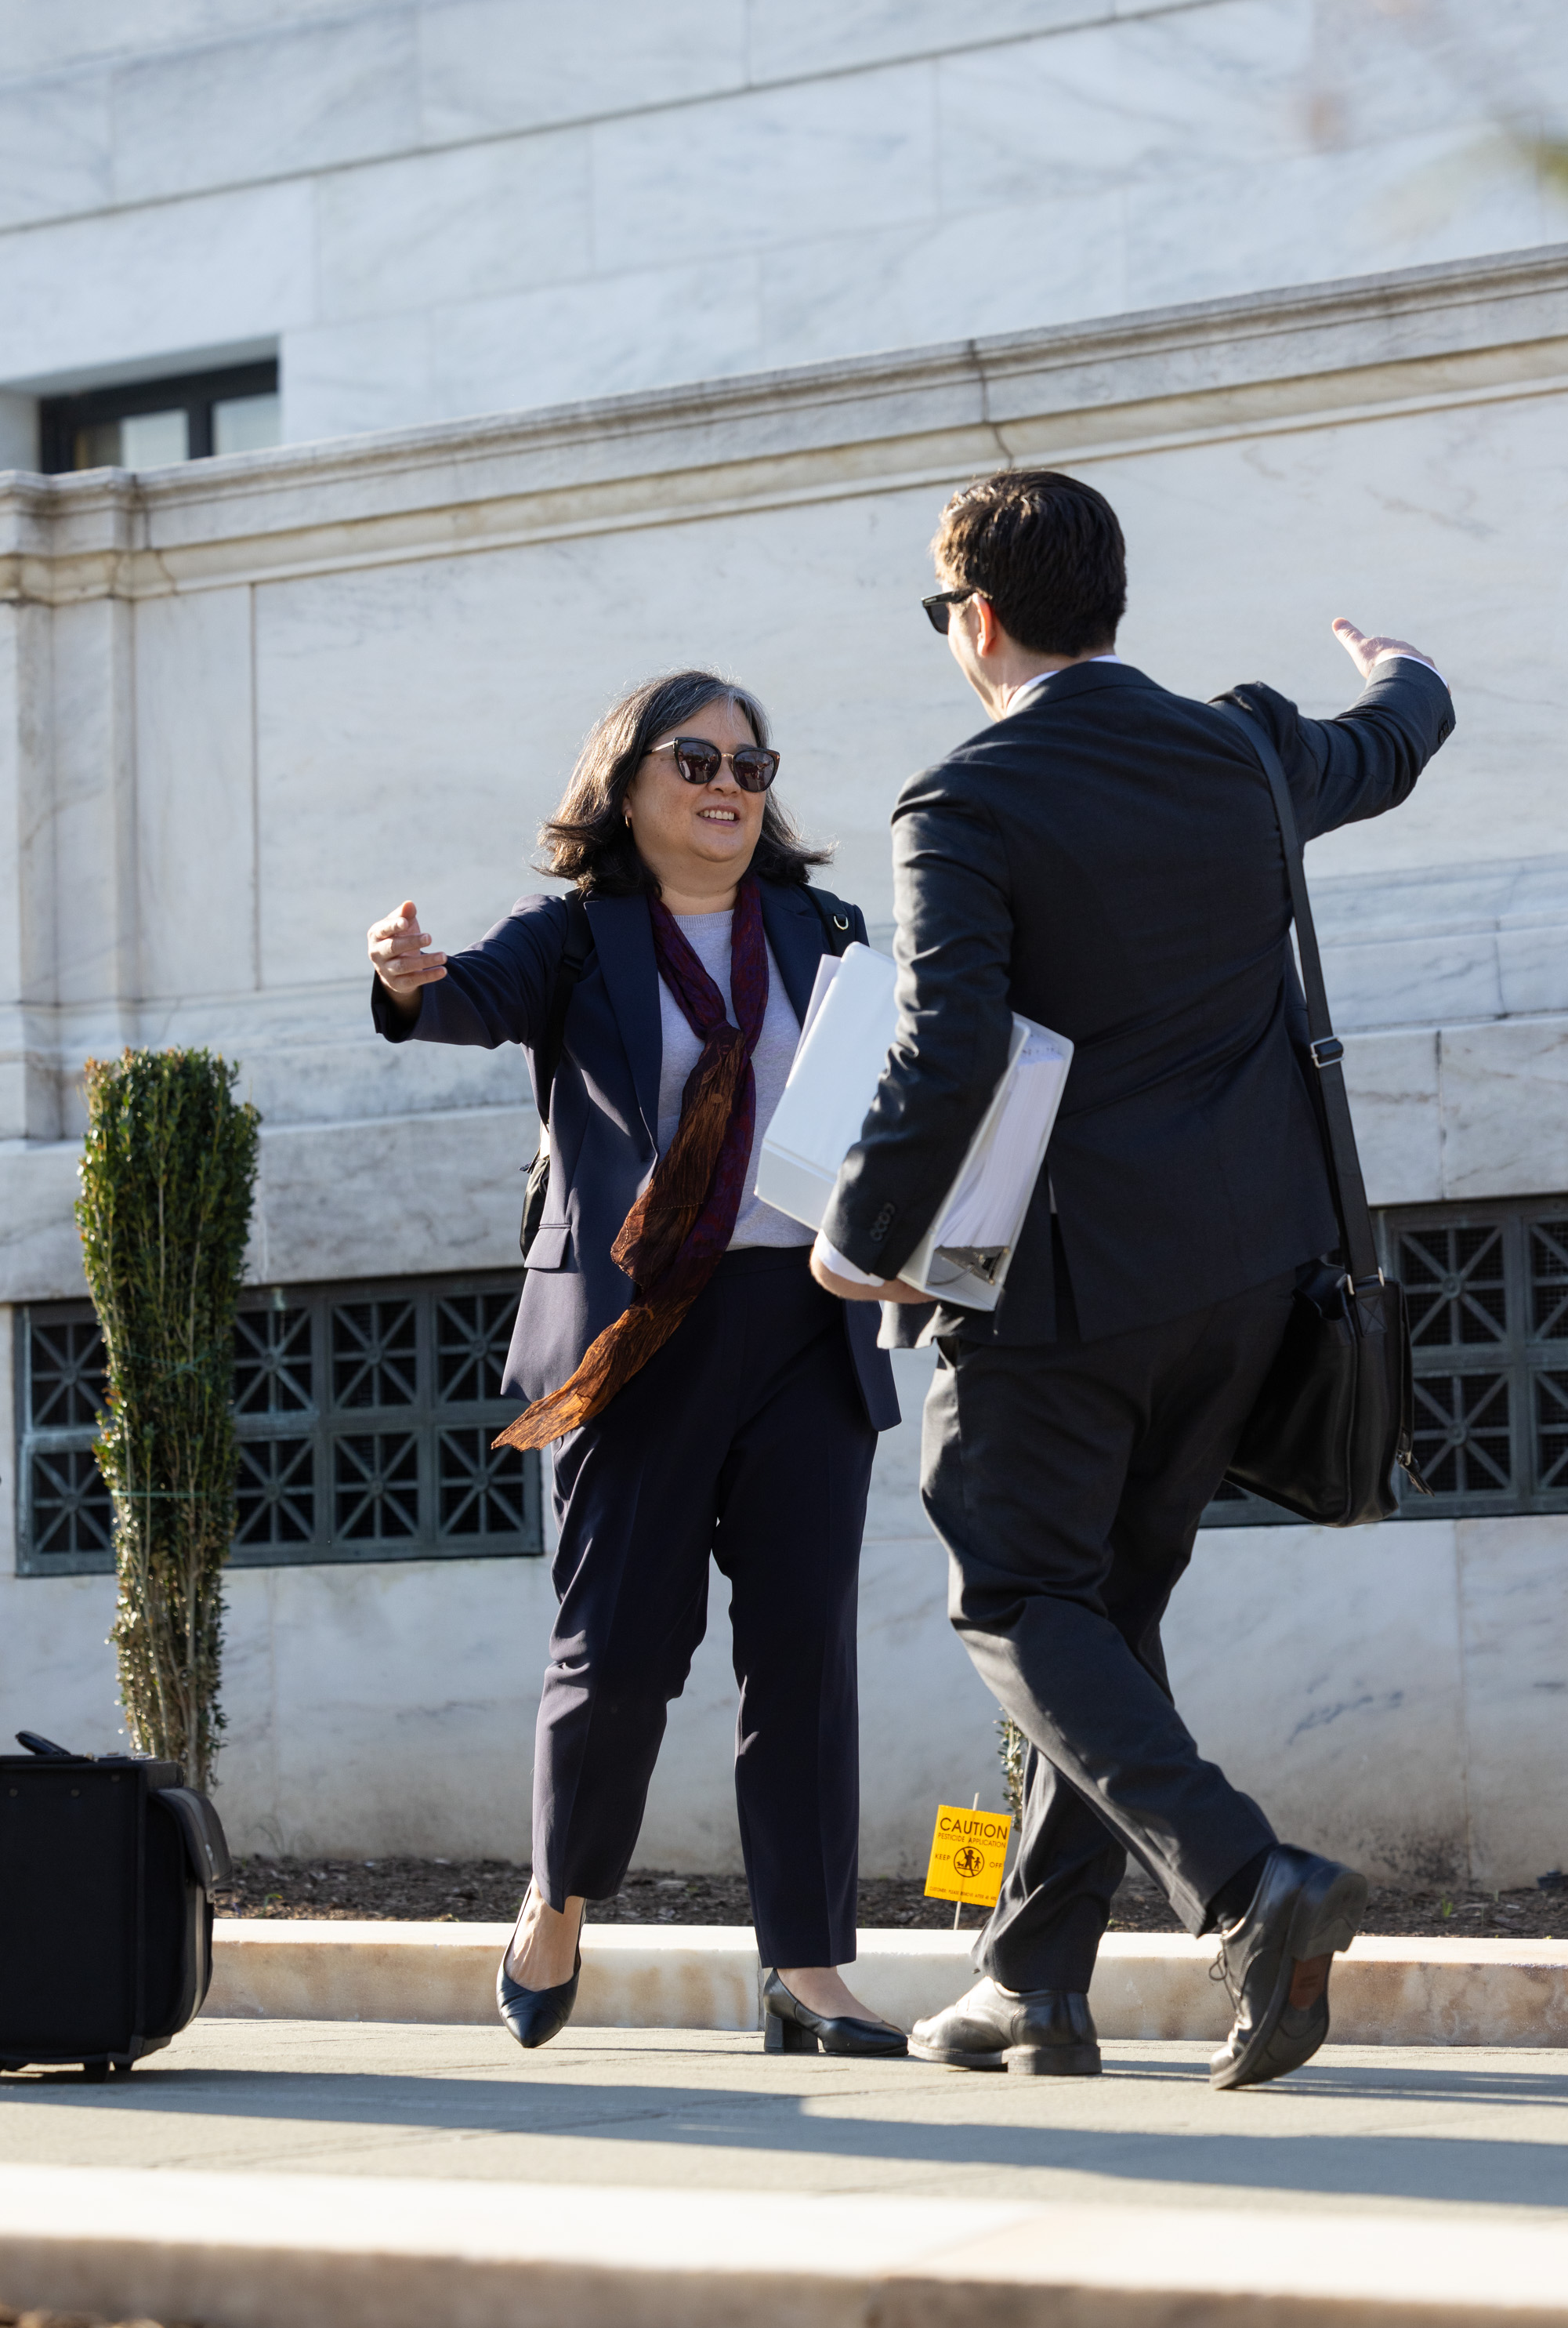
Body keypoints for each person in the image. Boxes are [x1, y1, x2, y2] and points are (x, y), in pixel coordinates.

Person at [811, 470, 1455, 2090]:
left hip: (1053, 1294)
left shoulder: (958, 802)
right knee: (1100, 1620)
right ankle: (1028, 1985)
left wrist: (853, 1237)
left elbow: (943, 1044)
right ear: (1106, 602)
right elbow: (1386, 743)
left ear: (975, 618)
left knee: (1014, 1597)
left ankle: (1248, 1883)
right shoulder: (1240, 750)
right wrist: (1402, 669)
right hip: (1250, 1277)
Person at [367, 669, 906, 2059]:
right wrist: (406, 979)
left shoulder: (821, 928)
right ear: (627, 781)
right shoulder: (573, 939)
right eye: (695, 757)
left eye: (750, 761)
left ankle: (808, 1965)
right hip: (640, 1330)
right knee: (618, 1653)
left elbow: (890, 1094)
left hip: (805, 1319)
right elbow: (464, 1001)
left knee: (801, 1652)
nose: (729, 782)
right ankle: (559, 1897)